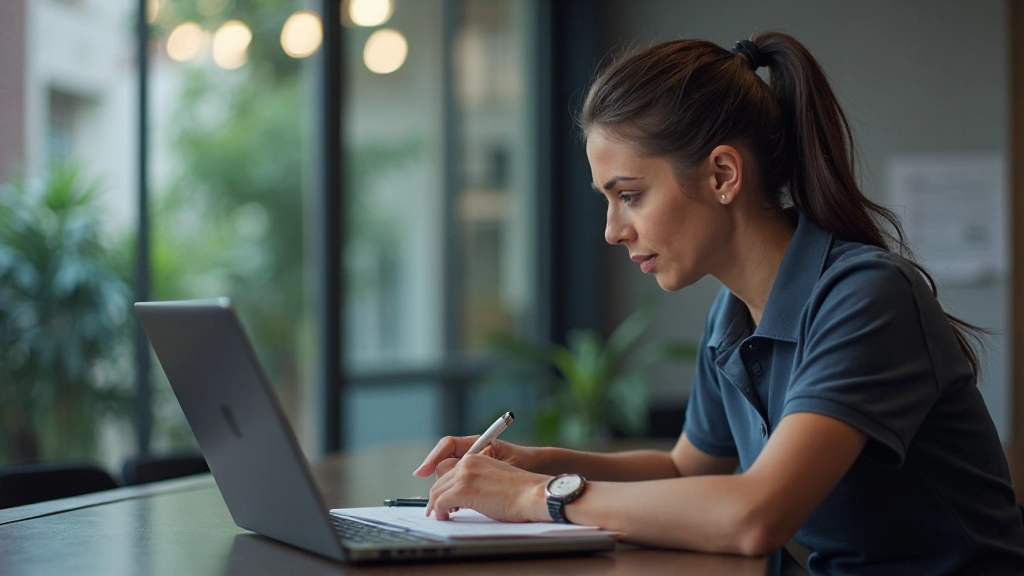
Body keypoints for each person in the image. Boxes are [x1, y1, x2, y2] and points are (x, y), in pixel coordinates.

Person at [413, 31, 1024, 575]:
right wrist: (532, 463)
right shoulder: (730, 315)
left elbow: (754, 515)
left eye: (629, 195)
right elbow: (687, 470)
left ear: (723, 175)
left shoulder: (866, 296)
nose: (612, 230)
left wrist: (534, 496)